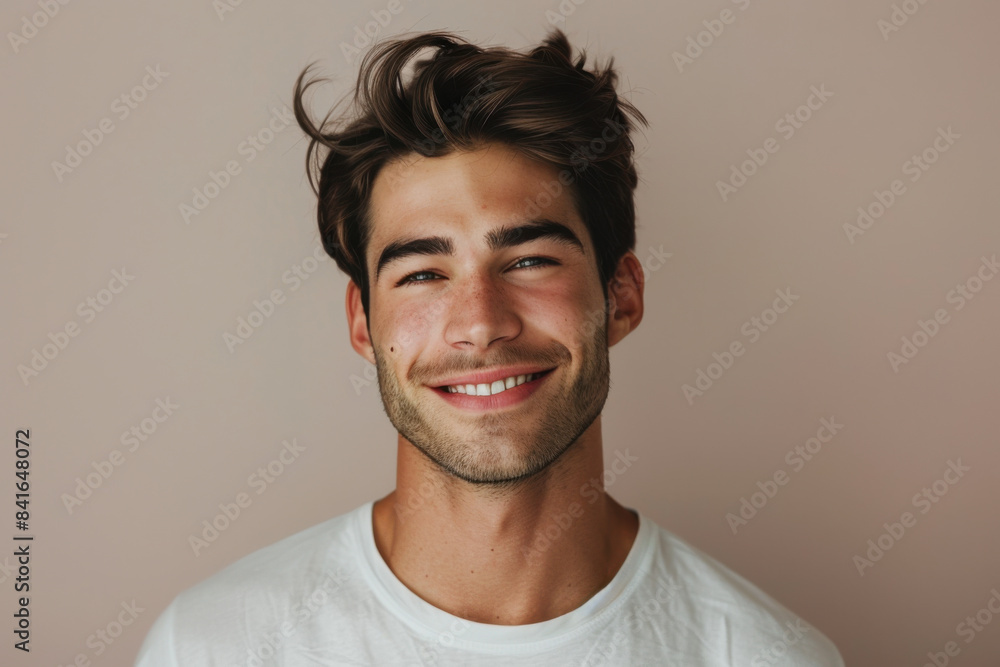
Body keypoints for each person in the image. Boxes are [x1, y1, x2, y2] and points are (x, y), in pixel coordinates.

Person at [135, 28, 844, 666]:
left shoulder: (766, 655)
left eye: (530, 260)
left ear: (621, 295)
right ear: (363, 324)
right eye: (421, 273)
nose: (480, 322)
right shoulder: (208, 646)